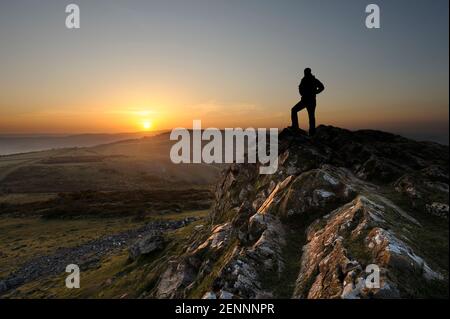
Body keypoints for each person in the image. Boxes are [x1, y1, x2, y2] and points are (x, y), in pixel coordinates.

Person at [291, 68, 325, 136]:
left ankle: (310, 132)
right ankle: (296, 127)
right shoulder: (304, 80)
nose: (305, 73)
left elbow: (322, 87)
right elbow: (300, 88)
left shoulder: (313, 80)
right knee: (296, 111)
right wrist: (302, 93)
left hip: (310, 100)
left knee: (310, 115)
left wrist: (315, 92)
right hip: (305, 100)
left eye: (306, 72)